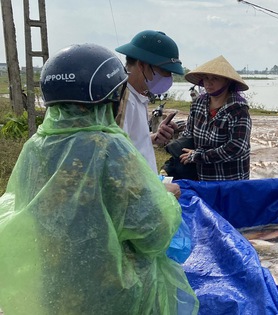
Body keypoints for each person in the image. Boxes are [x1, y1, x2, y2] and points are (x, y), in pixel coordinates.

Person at [0, 43, 198, 314]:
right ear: (111, 96)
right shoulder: (110, 148)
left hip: (54, 286)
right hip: (112, 291)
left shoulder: (35, 147)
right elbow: (154, 231)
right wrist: (167, 197)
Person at [114, 30, 182, 171]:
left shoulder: (138, 96)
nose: (168, 77)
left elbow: (129, 143)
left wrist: (152, 138)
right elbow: (115, 157)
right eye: (165, 71)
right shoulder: (122, 99)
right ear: (142, 65)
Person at [179, 55, 252, 180]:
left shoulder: (238, 110)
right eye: (206, 78)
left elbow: (236, 147)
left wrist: (198, 156)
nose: (208, 82)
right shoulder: (198, 104)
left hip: (230, 179)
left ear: (227, 81)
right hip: (202, 177)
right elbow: (188, 133)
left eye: (215, 78)